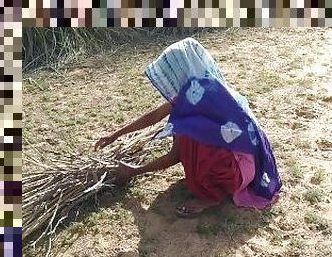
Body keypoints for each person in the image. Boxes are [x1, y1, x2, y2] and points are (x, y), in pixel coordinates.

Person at [94, 38, 282, 218]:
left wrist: (134, 171)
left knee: (192, 130)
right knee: (193, 130)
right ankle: (213, 182)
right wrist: (115, 135)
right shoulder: (196, 93)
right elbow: (155, 116)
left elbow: (175, 156)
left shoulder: (206, 96)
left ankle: (211, 198)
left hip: (240, 173)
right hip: (246, 168)